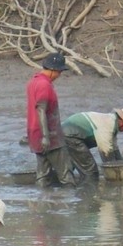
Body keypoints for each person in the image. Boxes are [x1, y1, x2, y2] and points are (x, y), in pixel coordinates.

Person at [26, 52, 83, 187]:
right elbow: (41, 110)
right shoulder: (44, 85)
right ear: (53, 70)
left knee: (43, 174)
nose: (59, 75)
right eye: (59, 72)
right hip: (49, 136)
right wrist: (46, 136)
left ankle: (44, 203)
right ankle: (70, 202)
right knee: (66, 173)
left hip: (35, 134)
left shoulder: (33, 82)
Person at [61, 105, 123, 178]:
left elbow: (114, 150)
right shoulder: (108, 125)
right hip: (71, 135)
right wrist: (117, 174)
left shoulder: (112, 124)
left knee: (70, 167)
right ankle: (87, 190)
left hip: (69, 133)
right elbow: (106, 153)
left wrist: (122, 166)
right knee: (91, 171)